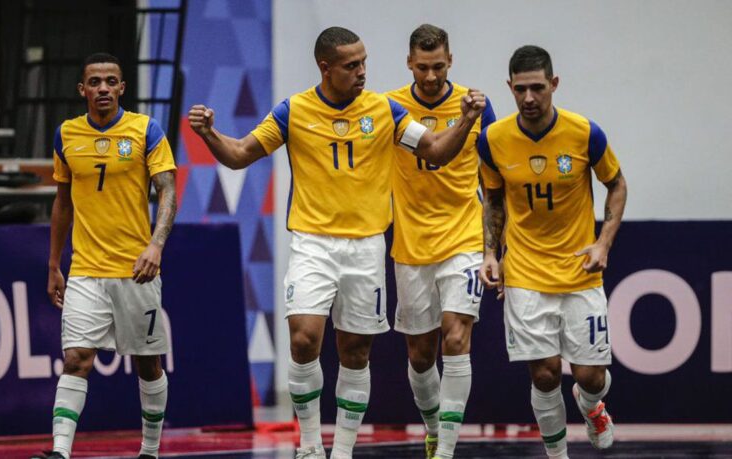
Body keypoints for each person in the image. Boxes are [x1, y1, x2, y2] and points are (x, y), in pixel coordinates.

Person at [188, 26, 486, 459]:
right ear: (325, 68)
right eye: (352, 65)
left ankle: (342, 450)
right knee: (304, 338)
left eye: (364, 62)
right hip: (312, 243)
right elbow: (239, 155)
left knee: (355, 351)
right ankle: (310, 446)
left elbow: (437, 151)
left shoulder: (385, 111)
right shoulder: (293, 111)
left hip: (366, 247)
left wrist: (467, 120)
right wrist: (209, 134)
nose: (363, 71)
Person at [477, 45, 627, 459]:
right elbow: (492, 199)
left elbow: (616, 184)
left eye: (537, 88)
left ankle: (592, 405)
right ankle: (556, 455)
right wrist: (491, 254)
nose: (529, 98)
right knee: (543, 374)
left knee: (590, 375)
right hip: (525, 272)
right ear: (509, 87)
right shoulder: (492, 140)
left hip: (579, 269)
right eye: (520, 89)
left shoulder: (585, 133)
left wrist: (603, 243)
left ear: (554, 85)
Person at [32, 53, 177, 459]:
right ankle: (60, 452)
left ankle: (149, 450)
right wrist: (53, 264)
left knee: (149, 364)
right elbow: (63, 202)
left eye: (110, 81)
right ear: (82, 90)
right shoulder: (66, 135)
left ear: (122, 88)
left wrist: (156, 245)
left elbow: (167, 190)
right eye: (94, 82)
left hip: (137, 271)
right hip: (86, 271)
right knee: (77, 358)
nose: (102, 89)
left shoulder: (146, 130)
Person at [385, 24, 495, 459]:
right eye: (423, 67)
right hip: (411, 244)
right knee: (419, 353)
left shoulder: (476, 106)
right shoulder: (391, 106)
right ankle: (433, 427)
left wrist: (492, 249)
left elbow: (493, 182)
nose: (431, 76)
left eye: (439, 66)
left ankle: (446, 449)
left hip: (463, 238)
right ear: (409, 63)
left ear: (451, 61)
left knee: (456, 337)